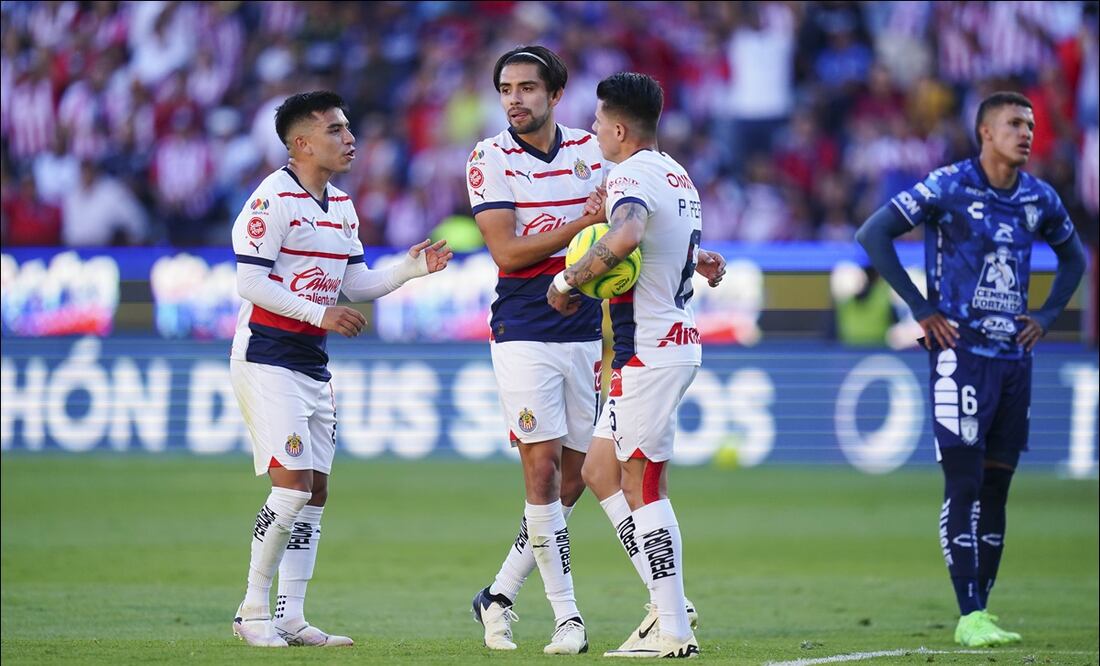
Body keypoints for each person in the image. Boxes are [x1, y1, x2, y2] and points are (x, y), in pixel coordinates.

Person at [466, 47, 723, 655]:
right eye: (506, 88)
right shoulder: (488, 157)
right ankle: (571, 618)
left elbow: (633, 229)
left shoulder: (598, 151)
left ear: (557, 96)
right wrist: (582, 242)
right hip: (528, 325)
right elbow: (507, 252)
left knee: (594, 474)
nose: (515, 99)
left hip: (591, 330)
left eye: (528, 87)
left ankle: (510, 592)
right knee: (551, 470)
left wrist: (675, 256)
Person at [856, 91, 1086, 648]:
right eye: (1014, 124)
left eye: (1030, 125)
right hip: (960, 358)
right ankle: (969, 613)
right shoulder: (948, 186)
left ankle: (984, 610)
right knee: (964, 483)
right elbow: (873, 233)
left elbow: (1076, 256)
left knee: (998, 488)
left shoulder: (1037, 197)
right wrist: (921, 307)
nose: (1027, 133)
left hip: (1014, 361)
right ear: (985, 132)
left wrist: (1048, 315)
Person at [229, 91, 452, 648]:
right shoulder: (271, 199)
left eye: (347, 128)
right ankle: (251, 610)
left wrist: (408, 269)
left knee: (317, 492)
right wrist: (318, 312)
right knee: (292, 488)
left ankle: (291, 615)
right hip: (266, 355)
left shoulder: (342, 207)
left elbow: (355, 283)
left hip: (311, 362)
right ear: (301, 143)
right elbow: (250, 283)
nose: (349, 138)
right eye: (335, 130)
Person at [548, 72, 706, 659]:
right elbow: (668, 243)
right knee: (598, 471)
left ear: (618, 128)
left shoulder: (631, 175)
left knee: (644, 483)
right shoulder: (677, 173)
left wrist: (568, 279)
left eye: (596, 123)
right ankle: (663, 610)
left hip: (652, 350)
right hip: (667, 343)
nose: (592, 131)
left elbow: (630, 231)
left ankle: (674, 630)